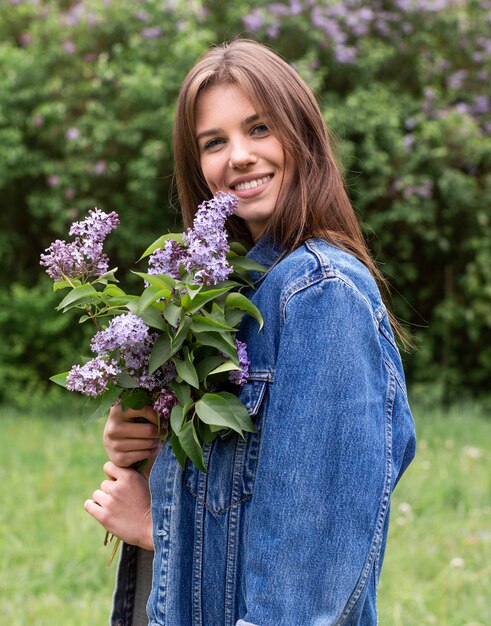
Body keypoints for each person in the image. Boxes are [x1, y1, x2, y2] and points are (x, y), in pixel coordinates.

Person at [84, 39, 416, 626]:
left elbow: (305, 580)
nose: (238, 156)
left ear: (303, 135)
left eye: (259, 128)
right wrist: (159, 451)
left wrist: (156, 522)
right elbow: (243, 510)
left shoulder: (319, 294)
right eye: (214, 142)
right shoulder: (244, 298)